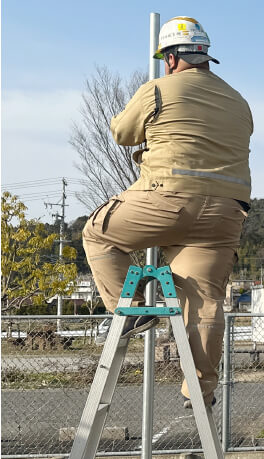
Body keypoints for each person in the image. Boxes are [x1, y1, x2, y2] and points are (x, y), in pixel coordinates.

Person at [83, 16, 252, 408]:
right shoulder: (238, 101)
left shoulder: (157, 89)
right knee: (204, 300)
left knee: (98, 234)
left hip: (167, 200)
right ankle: (200, 389)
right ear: (206, 56)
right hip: (225, 213)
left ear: (171, 58)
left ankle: (133, 312)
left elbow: (123, 133)